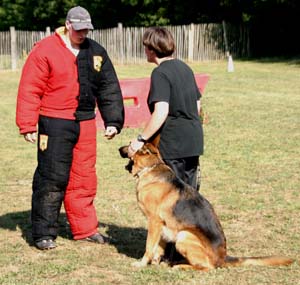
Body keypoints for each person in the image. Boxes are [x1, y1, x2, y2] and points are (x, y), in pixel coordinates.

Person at [16, 6, 124, 250]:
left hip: (85, 122)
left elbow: (108, 87)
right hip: (54, 121)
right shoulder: (44, 50)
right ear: (67, 25)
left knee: (84, 178)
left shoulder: (96, 52)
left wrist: (113, 121)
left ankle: (85, 229)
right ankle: (44, 233)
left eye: (86, 29)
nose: (83, 33)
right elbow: (30, 88)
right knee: (51, 178)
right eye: (79, 29)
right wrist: (27, 124)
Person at [128, 27, 204, 191]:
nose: (145, 51)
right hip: (193, 140)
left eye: (145, 47)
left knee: (172, 196)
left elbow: (161, 111)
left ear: (152, 49)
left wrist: (141, 140)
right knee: (189, 196)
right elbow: (197, 105)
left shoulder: (160, 73)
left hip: (173, 144)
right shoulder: (185, 68)